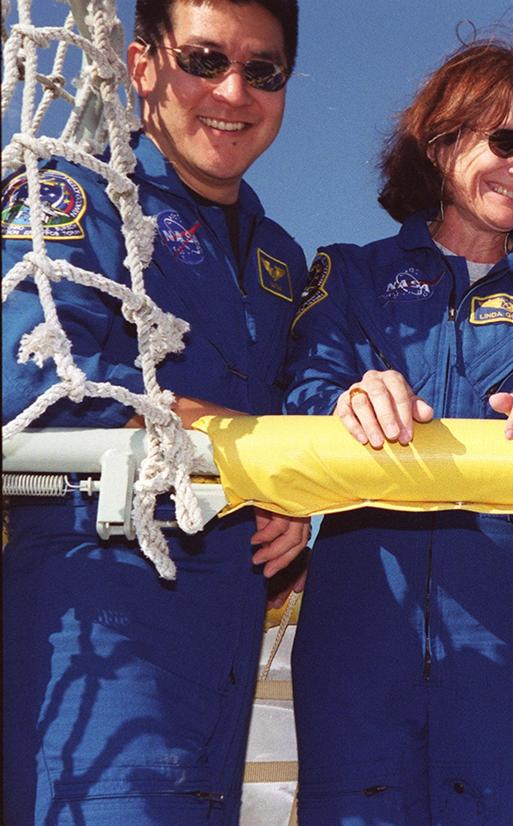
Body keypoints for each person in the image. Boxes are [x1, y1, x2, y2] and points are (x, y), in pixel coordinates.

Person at [283, 39, 513, 824]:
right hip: (358, 626)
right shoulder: (346, 273)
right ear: (442, 143)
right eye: (506, 141)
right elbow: (303, 389)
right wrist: (348, 397)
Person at [2, 1, 308, 822]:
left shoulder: (282, 258)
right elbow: (28, 377)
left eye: (263, 70)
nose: (234, 90)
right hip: (100, 634)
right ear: (141, 66)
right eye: (205, 60)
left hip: (227, 647)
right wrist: (220, 437)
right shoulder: (73, 190)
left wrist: (295, 509)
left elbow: (287, 429)